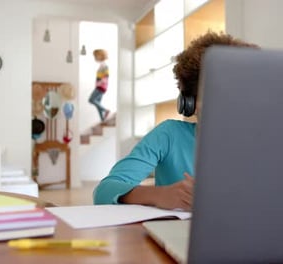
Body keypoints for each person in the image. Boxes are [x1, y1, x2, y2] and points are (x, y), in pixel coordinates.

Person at [93, 32, 260, 211]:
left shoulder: (260, 142)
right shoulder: (169, 135)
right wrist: (160, 195)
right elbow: (103, 192)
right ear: (189, 102)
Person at [88, 49, 110, 122]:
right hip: (100, 86)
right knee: (98, 103)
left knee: (91, 100)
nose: (95, 58)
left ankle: (106, 110)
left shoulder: (104, 66)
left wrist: (99, 83)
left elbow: (106, 76)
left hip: (101, 87)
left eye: (96, 56)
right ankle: (102, 120)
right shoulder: (102, 65)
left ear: (100, 56)